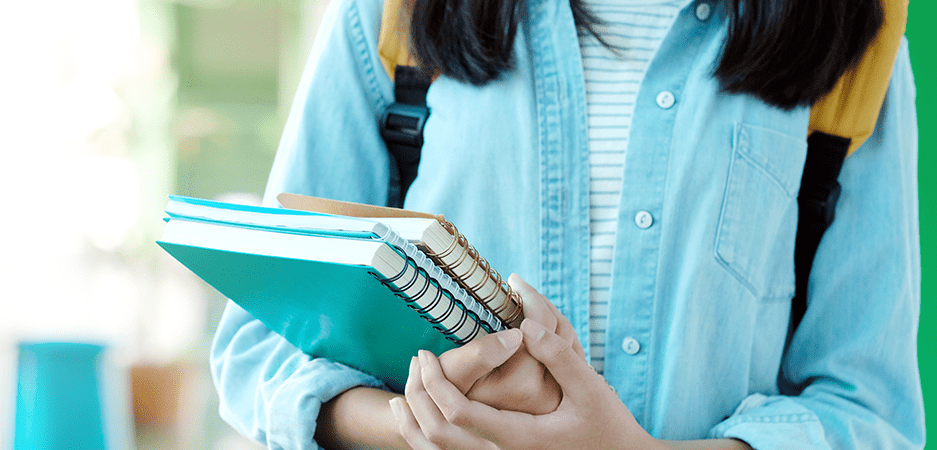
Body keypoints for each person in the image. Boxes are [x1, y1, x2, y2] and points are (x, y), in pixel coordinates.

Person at [208, 0, 923, 446]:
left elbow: (871, 413)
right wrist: (413, 424)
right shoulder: (389, 12)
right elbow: (261, 340)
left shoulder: (857, 35)